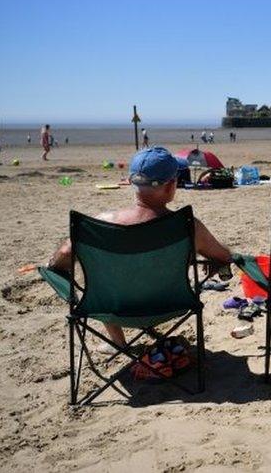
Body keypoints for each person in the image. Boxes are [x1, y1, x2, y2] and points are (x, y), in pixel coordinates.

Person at [46, 147, 232, 348]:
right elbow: (224, 256)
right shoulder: (188, 226)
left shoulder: (99, 226)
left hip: (112, 309)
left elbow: (63, 255)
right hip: (169, 307)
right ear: (170, 186)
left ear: (131, 182)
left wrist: (51, 265)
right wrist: (216, 259)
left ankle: (117, 342)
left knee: (91, 269)